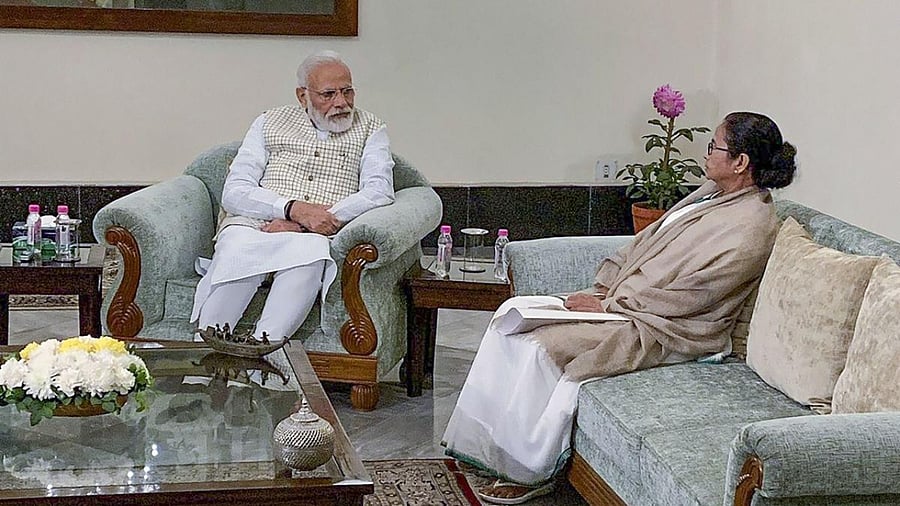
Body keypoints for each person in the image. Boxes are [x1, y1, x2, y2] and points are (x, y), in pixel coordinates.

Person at [442, 112, 798, 504]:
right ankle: (487, 447)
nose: (707, 153)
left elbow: (692, 297)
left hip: (670, 328)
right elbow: (647, 240)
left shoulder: (753, 226)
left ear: (740, 163)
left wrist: (609, 304)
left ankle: (530, 472)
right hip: (626, 305)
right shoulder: (713, 195)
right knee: (510, 318)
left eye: (715, 146)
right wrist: (605, 289)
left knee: (545, 348)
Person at [191, 50, 394, 343]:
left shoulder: (372, 128)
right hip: (256, 225)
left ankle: (265, 358)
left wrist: (306, 223)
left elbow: (379, 191)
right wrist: (290, 209)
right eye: (328, 94)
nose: (341, 102)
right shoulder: (268, 122)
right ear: (303, 96)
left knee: (307, 262)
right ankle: (207, 359)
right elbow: (235, 191)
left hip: (317, 234)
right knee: (237, 254)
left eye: (347, 91)